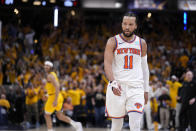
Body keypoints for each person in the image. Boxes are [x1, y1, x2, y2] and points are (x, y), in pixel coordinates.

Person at [104, 12, 149, 131]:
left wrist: (146, 90)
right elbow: (107, 64)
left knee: (135, 125)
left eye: (130, 24)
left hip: (136, 87)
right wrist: (113, 82)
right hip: (117, 86)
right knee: (116, 126)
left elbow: (145, 68)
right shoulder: (112, 41)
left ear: (135, 26)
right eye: (124, 24)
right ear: (121, 24)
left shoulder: (141, 43)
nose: (127, 27)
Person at [43, 61, 83, 131]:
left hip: (54, 97)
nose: (46, 67)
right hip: (58, 96)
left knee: (47, 115)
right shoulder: (53, 74)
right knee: (60, 116)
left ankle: (50, 130)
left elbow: (57, 86)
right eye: (45, 65)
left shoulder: (50, 76)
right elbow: (53, 87)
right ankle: (76, 124)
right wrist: (47, 94)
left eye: (47, 65)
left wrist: (55, 100)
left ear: (51, 67)